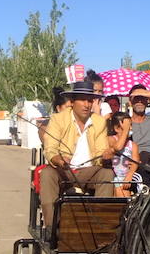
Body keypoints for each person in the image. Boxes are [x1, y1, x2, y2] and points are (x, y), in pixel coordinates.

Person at [39, 80, 115, 227]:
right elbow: (50, 148)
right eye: (82, 100)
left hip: (89, 171)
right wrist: (58, 159)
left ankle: (99, 227)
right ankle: (52, 227)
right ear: (72, 101)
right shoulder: (58, 119)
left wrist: (105, 156)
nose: (87, 104)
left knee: (107, 173)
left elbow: (100, 151)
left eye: (90, 100)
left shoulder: (99, 121)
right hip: (63, 170)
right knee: (47, 174)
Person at [107, 112, 139, 197]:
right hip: (113, 176)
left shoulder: (133, 145)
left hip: (126, 177)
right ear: (117, 128)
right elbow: (117, 147)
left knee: (123, 190)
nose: (131, 128)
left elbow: (135, 162)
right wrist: (125, 131)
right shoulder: (111, 139)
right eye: (128, 126)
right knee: (118, 186)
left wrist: (129, 175)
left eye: (131, 125)